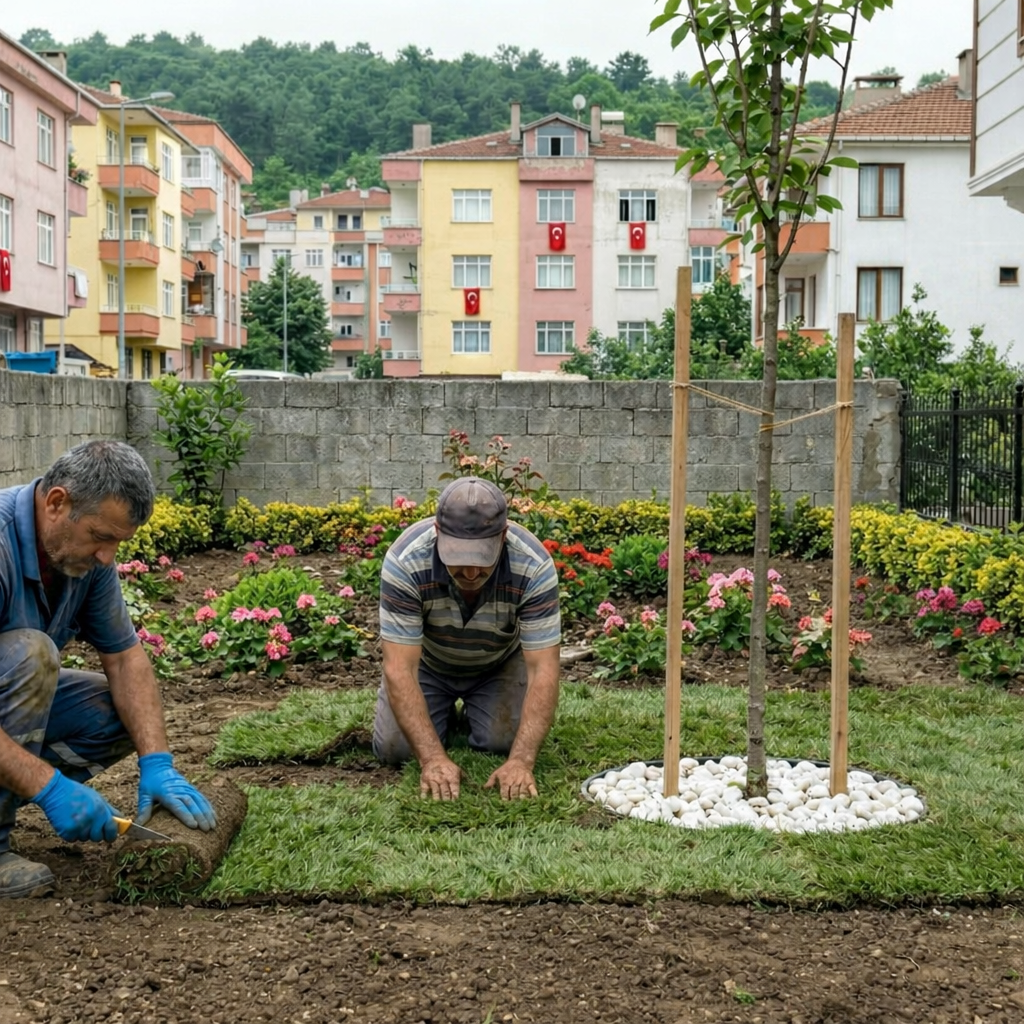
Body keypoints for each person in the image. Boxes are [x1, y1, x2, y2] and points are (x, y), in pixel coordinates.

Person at [0, 440, 215, 899]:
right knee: (32, 656)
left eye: (118, 542)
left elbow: (125, 659)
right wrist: (48, 786)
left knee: (119, 713)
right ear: (57, 502)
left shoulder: (83, 561)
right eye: (101, 536)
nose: (107, 556)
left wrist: (158, 763)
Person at [373, 476, 561, 801]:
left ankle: (467, 711)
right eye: (459, 559)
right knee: (394, 749)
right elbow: (400, 669)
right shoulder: (405, 562)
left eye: (482, 559)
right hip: (427, 666)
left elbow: (543, 669)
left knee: (502, 743)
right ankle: (439, 711)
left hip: (498, 664)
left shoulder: (533, 565)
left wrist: (521, 760)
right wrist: (431, 758)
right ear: (437, 532)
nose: (471, 574)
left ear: (503, 537)